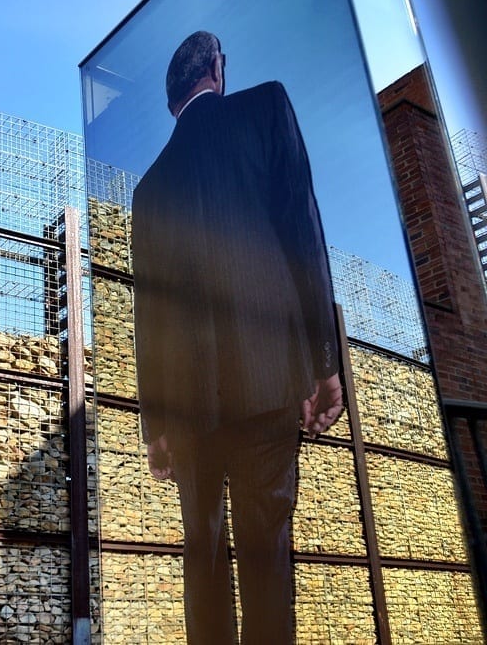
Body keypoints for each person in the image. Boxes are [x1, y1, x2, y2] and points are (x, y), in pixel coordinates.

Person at [131, 31, 343, 644]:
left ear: (172, 98)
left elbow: (150, 316)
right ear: (217, 70)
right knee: (265, 550)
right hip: (269, 381)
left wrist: (155, 425)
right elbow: (303, 235)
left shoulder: (150, 189)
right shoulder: (267, 107)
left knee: (201, 554)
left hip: (189, 410)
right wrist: (324, 362)